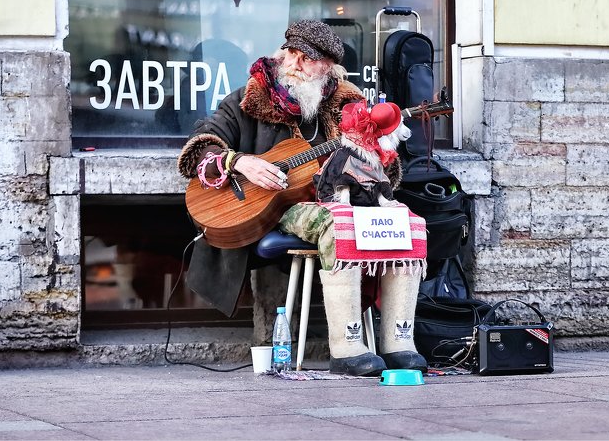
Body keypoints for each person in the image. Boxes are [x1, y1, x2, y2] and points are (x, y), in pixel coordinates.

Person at [177, 20, 427, 376]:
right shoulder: (249, 98)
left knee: (407, 221)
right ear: (290, 56)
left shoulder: (347, 102)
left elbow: (387, 175)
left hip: (348, 200)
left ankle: (398, 340)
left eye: (320, 63)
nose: (309, 68)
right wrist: (240, 162)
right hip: (279, 207)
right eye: (304, 59)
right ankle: (347, 346)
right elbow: (200, 148)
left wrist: (379, 151)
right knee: (336, 223)